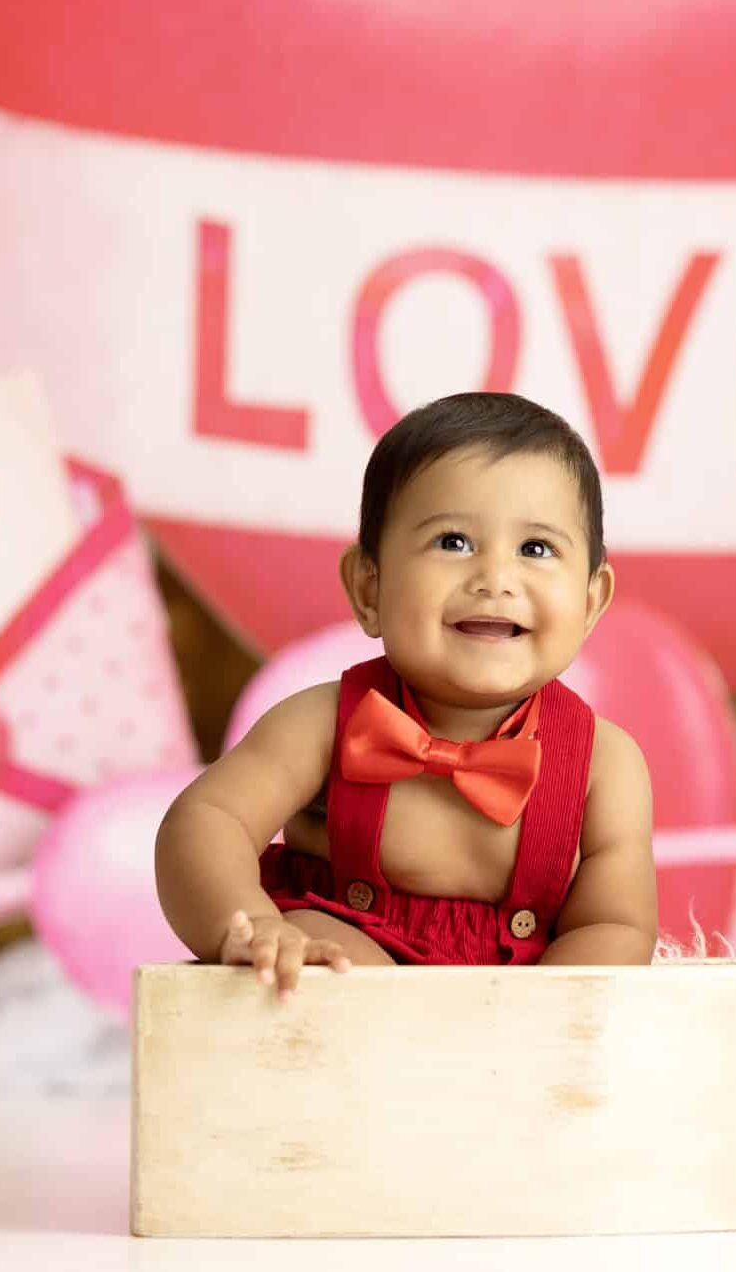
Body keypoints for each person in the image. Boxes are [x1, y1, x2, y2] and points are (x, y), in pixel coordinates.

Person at [154, 391, 659, 997]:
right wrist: (250, 925)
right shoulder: (322, 724)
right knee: (323, 960)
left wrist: (538, 1018)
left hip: (516, 1014)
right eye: (453, 542)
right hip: (345, 990)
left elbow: (614, 925)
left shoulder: (604, 765)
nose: (495, 579)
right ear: (370, 589)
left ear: (590, 601)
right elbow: (207, 821)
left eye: (535, 549)